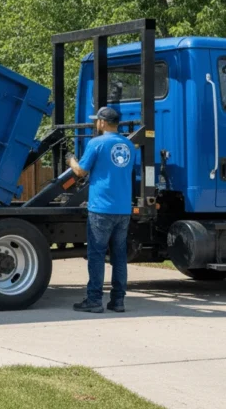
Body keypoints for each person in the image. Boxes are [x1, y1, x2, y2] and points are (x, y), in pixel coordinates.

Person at [67, 106, 134, 314]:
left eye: (97, 120)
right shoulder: (129, 145)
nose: (96, 123)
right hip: (123, 209)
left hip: (101, 208)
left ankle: (94, 300)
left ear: (103, 122)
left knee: (96, 254)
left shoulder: (96, 143)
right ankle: (118, 301)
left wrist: (70, 158)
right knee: (119, 255)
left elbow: (80, 171)